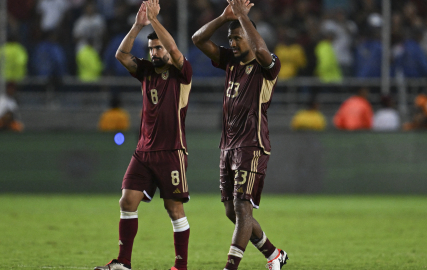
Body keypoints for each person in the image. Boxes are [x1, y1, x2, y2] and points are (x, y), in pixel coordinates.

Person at [94, 1, 192, 270]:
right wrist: (139, 25)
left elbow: (174, 49)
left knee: (174, 210)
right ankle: (123, 263)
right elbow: (121, 55)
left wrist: (154, 20)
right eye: (151, 49)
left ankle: (180, 266)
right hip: (143, 151)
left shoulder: (181, 72)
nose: (155, 52)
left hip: (171, 152)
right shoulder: (146, 72)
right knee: (127, 201)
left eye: (158, 47)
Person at [192, 1, 288, 269]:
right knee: (231, 211)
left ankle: (230, 266)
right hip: (228, 144)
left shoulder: (268, 65)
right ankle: (274, 255)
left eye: (237, 38)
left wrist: (244, 17)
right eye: (230, 38)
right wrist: (224, 17)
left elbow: (259, 49)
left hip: (252, 143)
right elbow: (198, 39)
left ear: (249, 35)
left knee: (243, 207)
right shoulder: (231, 61)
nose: (232, 43)